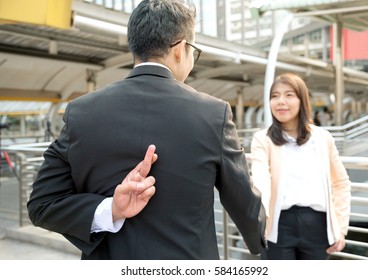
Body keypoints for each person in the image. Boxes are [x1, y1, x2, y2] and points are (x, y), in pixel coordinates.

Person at [27, 0, 266, 260]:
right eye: (193, 52)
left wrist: (111, 211)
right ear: (179, 48)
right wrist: (260, 242)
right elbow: (244, 203)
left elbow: (42, 204)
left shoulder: (81, 112)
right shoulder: (213, 114)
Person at [250, 73, 351, 260]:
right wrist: (259, 222)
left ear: (302, 100)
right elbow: (260, 181)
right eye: (275, 96)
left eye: (289, 95)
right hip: (279, 224)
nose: (280, 101)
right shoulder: (262, 139)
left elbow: (341, 183)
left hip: (317, 225)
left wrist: (340, 228)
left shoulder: (322, 138)